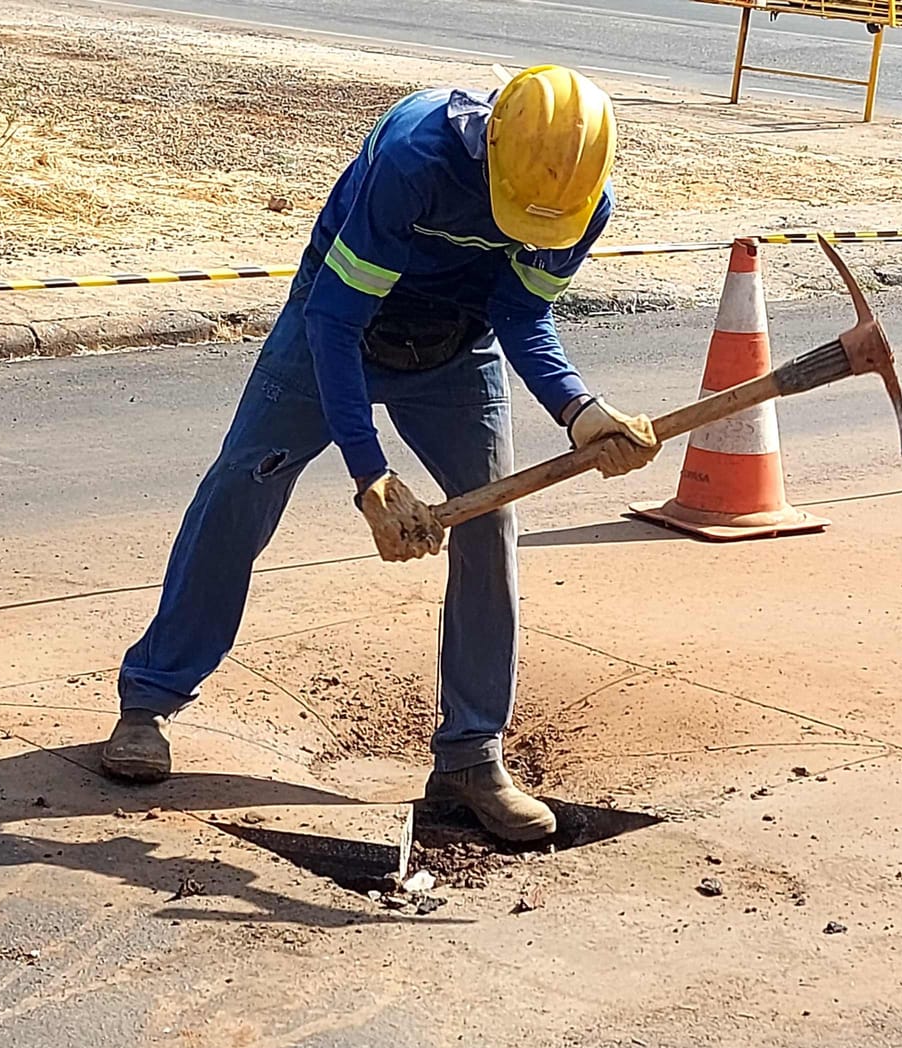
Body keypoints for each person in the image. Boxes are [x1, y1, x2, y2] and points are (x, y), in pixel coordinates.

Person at [102, 66, 658, 842]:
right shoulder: (414, 157)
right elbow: (335, 320)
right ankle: (150, 698)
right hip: (337, 330)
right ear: (491, 144)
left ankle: (471, 752)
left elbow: (521, 314)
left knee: (491, 522)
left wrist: (580, 411)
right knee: (241, 486)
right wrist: (372, 476)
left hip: (460, 348)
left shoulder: (578, 205)